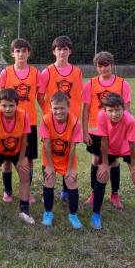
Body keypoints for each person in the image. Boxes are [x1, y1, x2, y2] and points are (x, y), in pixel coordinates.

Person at [89, 92, 135, 234]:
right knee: (102, 175)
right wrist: (104, 163)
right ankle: (96, 215)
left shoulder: (130, 120)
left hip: (128, 149)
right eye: (110, 110)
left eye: (118, 110)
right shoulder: (101, 116)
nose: (114, 114)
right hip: (109, 147)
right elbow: (103, 140)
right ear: (105, 110)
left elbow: (132, 143)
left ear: (123, 108)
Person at [82, 51, 131, 209]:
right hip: (96, 129)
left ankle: (114, 194)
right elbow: (86, 110)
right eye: (100, 66)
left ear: (112, 65)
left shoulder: (123, 84)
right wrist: (84, 131)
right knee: (96, 160)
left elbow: (127, 111)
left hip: (115, 131)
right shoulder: (90, 84)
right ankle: (94, 193)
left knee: (114, 162)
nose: (103, 69)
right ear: (96, 67)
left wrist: (126, 132)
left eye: (106, 65)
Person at [38, 35, 84, 201]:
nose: (62, 52)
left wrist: (74, 116)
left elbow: (78, 95)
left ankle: (66, 189)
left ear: (70, 51)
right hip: (52, 120)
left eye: (65, 49)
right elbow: (40, 95)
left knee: (68, 151)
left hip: (70, 121)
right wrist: (47, 113)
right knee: (47, 150)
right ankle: (47, 189)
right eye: (59, 49)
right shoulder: (47, 71)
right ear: (53, 51)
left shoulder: (77, 72)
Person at [0, 38, 41, 204]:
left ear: (29, 52)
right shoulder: (6, 73)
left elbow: (41, 98)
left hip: (29, 123)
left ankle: (27, 192)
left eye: (24, 50)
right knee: (7, 158)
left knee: (28, 159)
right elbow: (1, 99)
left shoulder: (36, 73)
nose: (21, 54)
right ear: (12, 53)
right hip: (9, 123)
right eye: (17, 51)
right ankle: (7, 191)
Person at [0, 88, 34, 224]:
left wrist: (22, 159)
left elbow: (25, 140)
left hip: (17, 150)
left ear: (17, 105)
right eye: (4, 105)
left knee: (25, 172)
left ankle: (24, 210)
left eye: (11, 105)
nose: (7, 109)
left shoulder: (23, 115)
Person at [39, 92, 84, 229]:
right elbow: (46, 144)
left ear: (68, 107)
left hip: (67, 159)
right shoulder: (46, 120)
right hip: (50, 159)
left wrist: (70, 169)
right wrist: (50, 167)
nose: (58, 111)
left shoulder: (75, 122)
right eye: (55, 108)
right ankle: (48, 213)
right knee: (49, 180)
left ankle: (73, 215)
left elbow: (72, 147)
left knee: (71, 181)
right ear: (51, 108)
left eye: (62, 108)